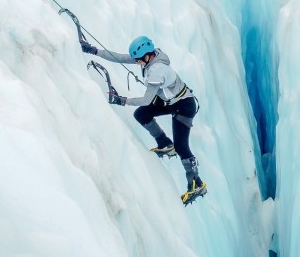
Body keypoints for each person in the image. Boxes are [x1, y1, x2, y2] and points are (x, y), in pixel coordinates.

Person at [82, 36, 207, 205]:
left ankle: (196, 184)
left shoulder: (156, 70)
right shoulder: (150, 57)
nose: (137, 63)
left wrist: (123, 100)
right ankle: (164, 144)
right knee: (141, 115)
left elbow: (147, 100)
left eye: (139, 61)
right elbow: (120, 57)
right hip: (170, 101)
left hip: (184, 106)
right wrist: (94, 50)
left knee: (181, 146)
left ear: (147, 56)